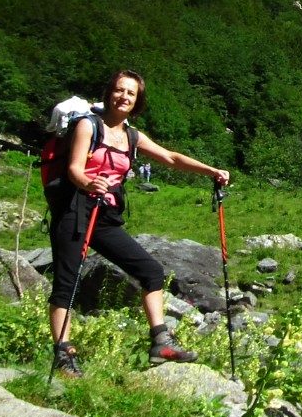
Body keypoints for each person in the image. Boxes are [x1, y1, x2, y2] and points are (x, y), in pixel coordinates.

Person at [49, 70, 231, 378]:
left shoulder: (131, 136)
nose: (124, 97)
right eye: (120, 90)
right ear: (109, 92)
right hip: (74, 211)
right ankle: (63, 355)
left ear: (137, 101)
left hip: (105, 217)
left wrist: (210, 170)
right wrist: (89, 184)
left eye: (131, 93)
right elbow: (73, 170)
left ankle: (160, 342)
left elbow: (170, 158)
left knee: (151, 271)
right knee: (67, 284)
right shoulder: (87, 125)